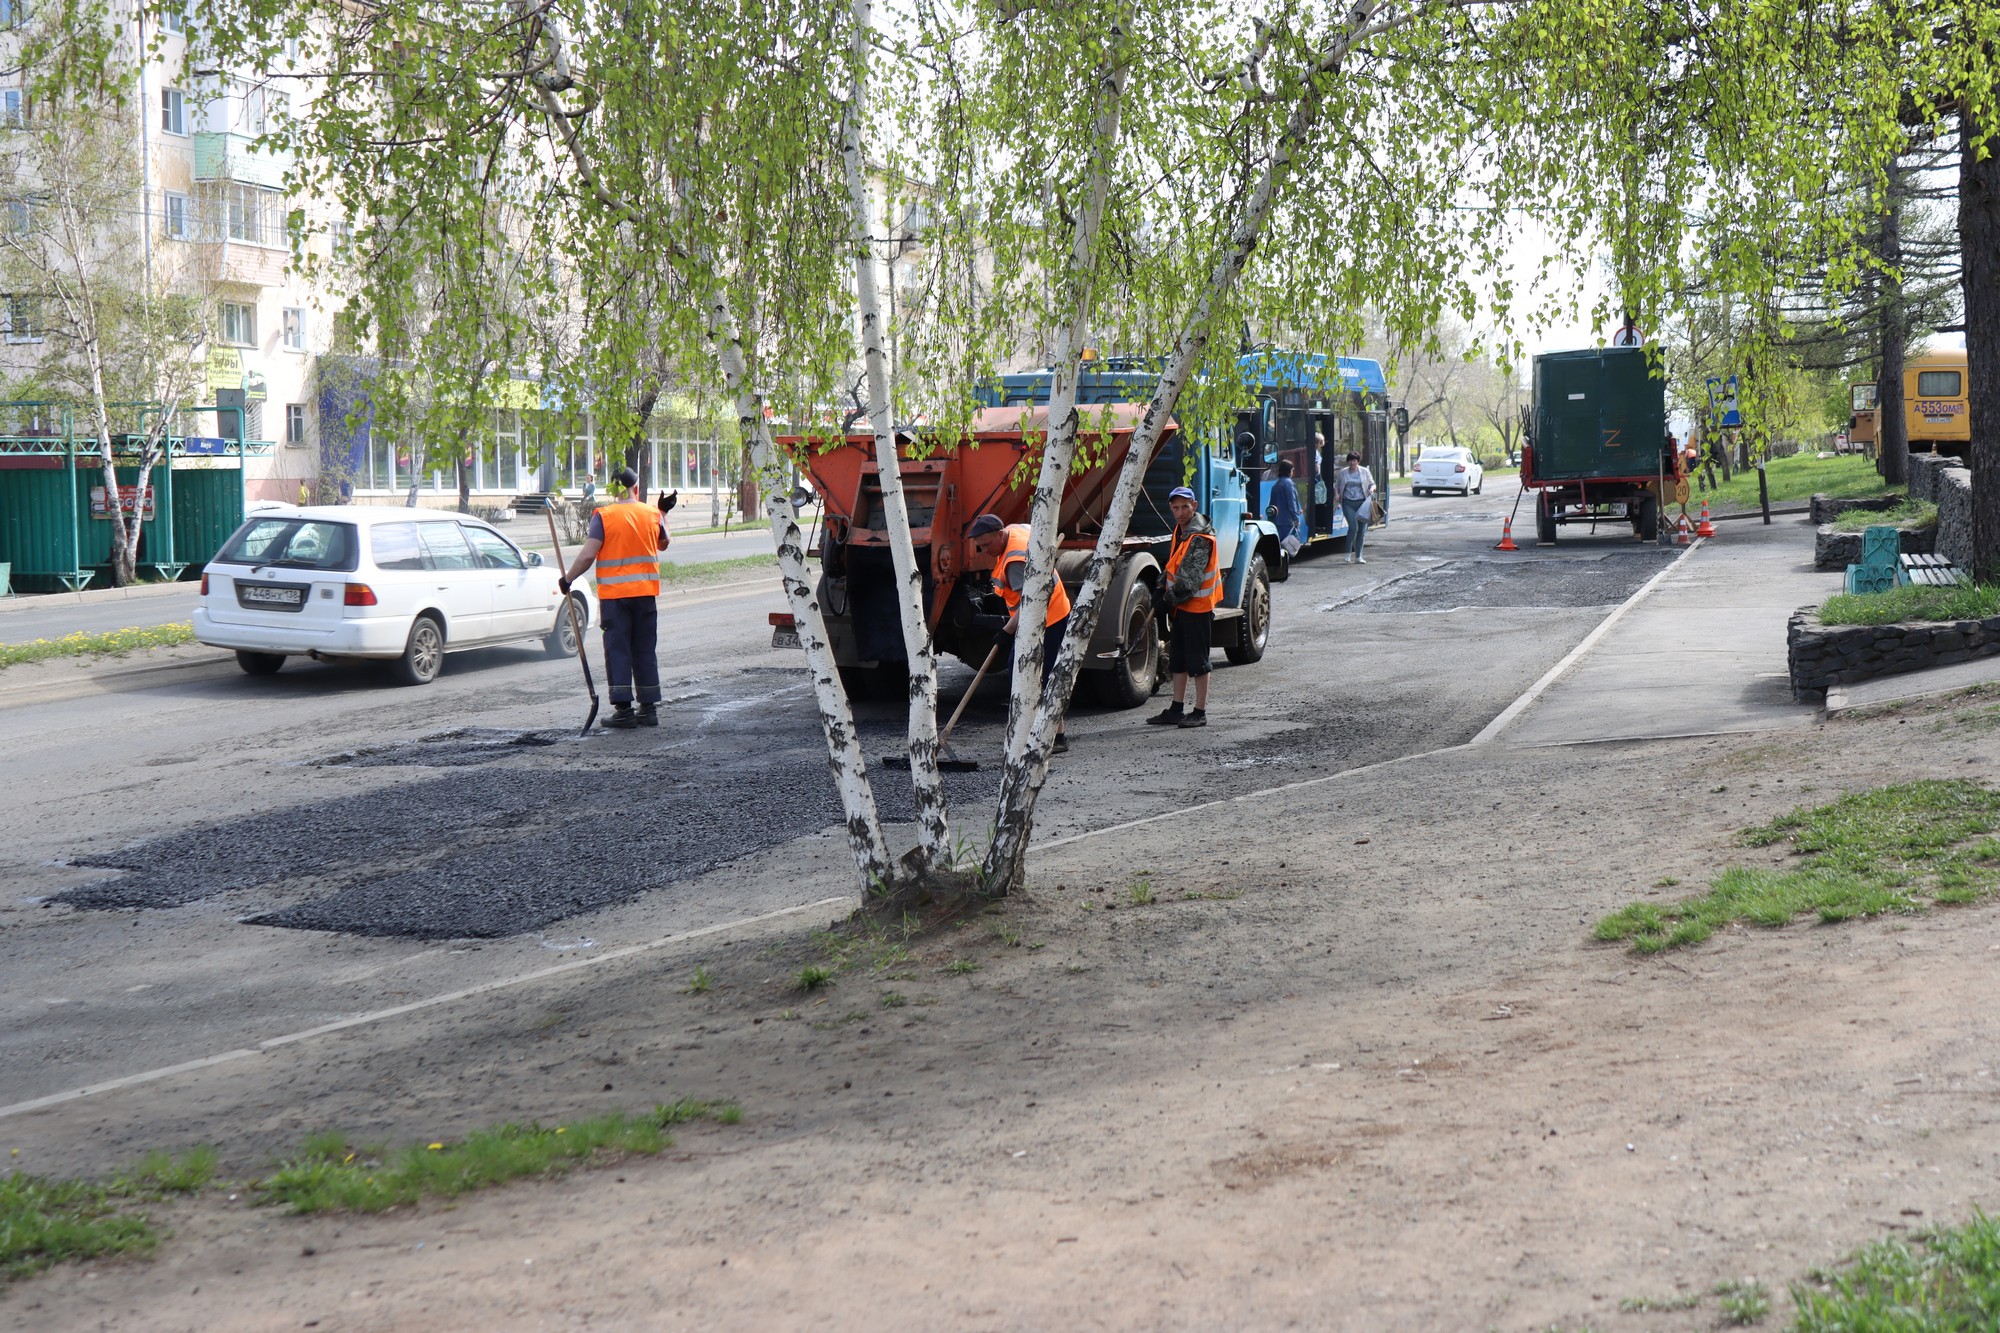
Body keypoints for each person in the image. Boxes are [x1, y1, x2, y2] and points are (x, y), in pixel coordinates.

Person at [561, 466, 669, 729]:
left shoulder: (604, 516)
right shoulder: (651, 513)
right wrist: (664, 512)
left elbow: (588, 555)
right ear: (636, 487)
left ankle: (623, 710)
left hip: (616, 598)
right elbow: (663, 543)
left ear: (613, 489)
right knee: (644, 648)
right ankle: (648, 708)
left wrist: (568, 579)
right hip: (645, 595)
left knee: (618, 649)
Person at [966, 513, 1071, 755]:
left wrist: (1006, 631)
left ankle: (1057, 736)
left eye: (988, 544)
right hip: (1036, 619)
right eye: (980, 546)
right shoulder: (1015, 529)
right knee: (1021, 672)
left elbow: (1031, 602)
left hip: (1048, 618)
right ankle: (1034, 731)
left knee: (1041, 676)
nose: (985, 550)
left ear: (1000, 534)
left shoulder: (1014, 561)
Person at [1147, 486, 1219, 729]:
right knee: (1178, 660)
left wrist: (1165, 600)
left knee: (1198, 662)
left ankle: (1200, 711)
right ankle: (1177, 709)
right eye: (1175, 508)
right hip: (1181, 607)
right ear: (1170, 508)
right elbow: (1173, 565)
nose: (1180, 512)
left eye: (1185, 507)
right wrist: (1159, 587)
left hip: (1197, 607)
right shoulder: (1182, 531)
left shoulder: (1200, 538)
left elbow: (1189, 581)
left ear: (1194, 506)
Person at [1336, 452, 1376, 564]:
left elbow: (1372, 484)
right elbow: (1337, 485)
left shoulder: (1364, 471)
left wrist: (1372, 489)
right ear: (1348, 461)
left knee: (1362, 531)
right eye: (1350, 460)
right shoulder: (1343, 473)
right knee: (1353, 527)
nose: (1352, 463)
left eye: (1354, 460)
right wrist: (1337, 494)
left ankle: (1359, 556)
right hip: (1348, 503)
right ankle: (1348, 554)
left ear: (1358, 461)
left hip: (1362, 503)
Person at [1268, 459, 1303, 558]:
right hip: (1287, 521)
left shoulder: (1276, 485)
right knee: (1287, 546)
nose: (1293, 472)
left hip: (1277, 521)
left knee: (1279, 547)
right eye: (1292, 470)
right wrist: (1296, 518)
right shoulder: (1289, 484)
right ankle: (1285, 570)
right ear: (1288, 471)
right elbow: (1291, 503)